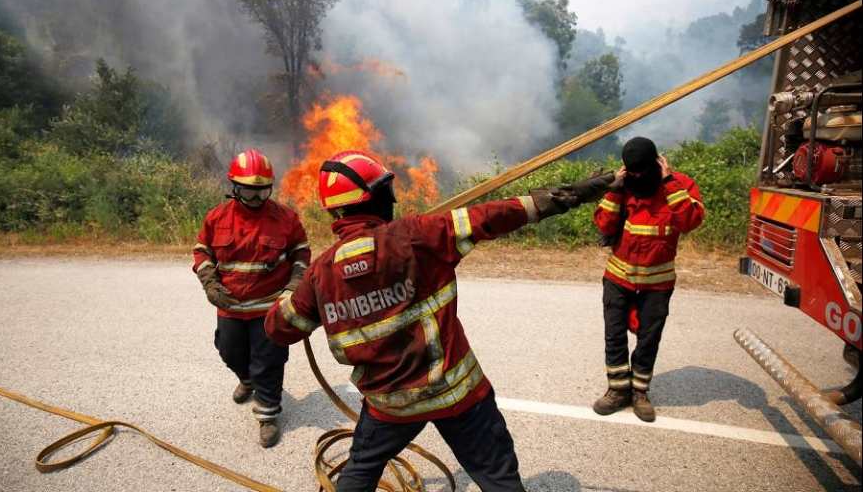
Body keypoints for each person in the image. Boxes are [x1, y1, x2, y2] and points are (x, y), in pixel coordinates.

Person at [264, 150, 614, 491]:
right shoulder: (417, 235)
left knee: (359, 473)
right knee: (499, 479)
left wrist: (296, 281)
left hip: (391, 407)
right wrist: (576, 192)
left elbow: (279, 328)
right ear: (374, 197)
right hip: (457, 396)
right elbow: (497, 214)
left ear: (337, 211)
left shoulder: (321, 273)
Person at [193, 148, 311, 448]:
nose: (257, 198)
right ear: (235, 187)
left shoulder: (286, 218)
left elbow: (301, 254)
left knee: (269, 360)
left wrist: (293, 286)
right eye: (249, 191)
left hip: (269, 306)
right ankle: (246, 380)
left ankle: (268, 414)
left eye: (263, 191)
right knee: (229, 351)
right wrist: (209, 283)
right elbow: (203, 253)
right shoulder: (216, 218)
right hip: (230, 306)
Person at [591, 136, 705, 422]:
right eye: (633, 173)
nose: (639, 178)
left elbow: (690, 220)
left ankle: (640, 393)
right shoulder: (623, 184)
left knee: (648, 338)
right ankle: (617, 391)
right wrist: (615, 190)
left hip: (658, 282)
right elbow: (604, 224)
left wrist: (668, 183)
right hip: (618, 277)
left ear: (658, 163)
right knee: (614, 336)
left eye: (644, 171)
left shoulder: (679, 184)